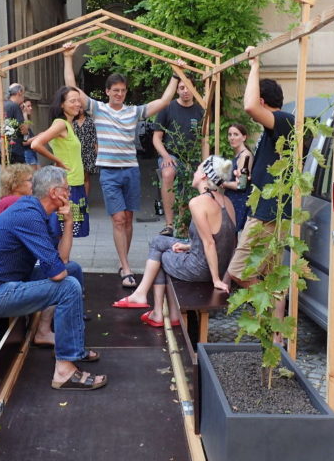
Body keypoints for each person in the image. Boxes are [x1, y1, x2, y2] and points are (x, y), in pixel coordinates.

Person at [0, 166, 106, 390]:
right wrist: (59, 269)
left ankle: (71, 348)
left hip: (9, 283)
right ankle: (63, 371)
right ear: (54, 193)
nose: (70, 193)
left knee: (74, 270)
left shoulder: (36, 210)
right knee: (68, 285)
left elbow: (63, 261)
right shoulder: (29, 216)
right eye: (67, 189)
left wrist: (69, 221)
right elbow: (58, 273)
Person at [63, 41, 178, 288]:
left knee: (127, 218)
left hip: (131, 172)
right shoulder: (98, 109)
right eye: (115, 90)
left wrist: (176, 75)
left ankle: (123, 260)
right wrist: (67, 57)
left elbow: (164, 101)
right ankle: (125, 267)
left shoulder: (133, 112)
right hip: (109, 173)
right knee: (117, 219)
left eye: (123, 90)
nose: (119, 94)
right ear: (107, 92)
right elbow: (72, 89)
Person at [111, 155, 236, 328]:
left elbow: (209, 243)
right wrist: (188, 246)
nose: (194, 172)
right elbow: (226, 241)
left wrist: (216, 279)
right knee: (159, 241)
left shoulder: (198, 203)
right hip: (216, 265)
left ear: (204, 177)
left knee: (161, 256)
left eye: (198, 169)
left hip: (201, 268)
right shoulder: (226, 202)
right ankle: (156, 306)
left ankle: (153, 308)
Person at [222, 48, 294, 341]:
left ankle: (267, 312)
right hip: (268, 210)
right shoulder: (275, 130)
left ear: (264, 102)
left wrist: (254, 64)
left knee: (239, 271)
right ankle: (276, 336)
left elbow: (250, 106)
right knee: (273, 275)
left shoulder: (285, 122)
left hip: (268, 212)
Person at [31, 87, 90, 237]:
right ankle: (57, 260)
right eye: (72, 101)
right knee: (60, 231)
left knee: (66, 231)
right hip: (66, 183)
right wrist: (58, 161)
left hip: (75, 182)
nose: (77, 104)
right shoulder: (61, 124)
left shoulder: (68, 125)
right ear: (62, 104)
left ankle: (62, 260)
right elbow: (36, 144)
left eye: (79, 100)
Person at [153, 76, 205, 237]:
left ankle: (182, 225)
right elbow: (156, 138)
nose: (185, 91)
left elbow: (204, 140)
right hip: (171, 155)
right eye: (181, 87)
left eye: (188, 87)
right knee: (168, 173)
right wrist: (166, 156)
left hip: (191, 158)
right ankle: (169, 224)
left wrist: (204, 162)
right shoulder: (168, 108)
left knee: (188, 184)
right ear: (177, 90)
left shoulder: (200, 110)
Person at [221, 123, 254, 231]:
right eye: (230, 134)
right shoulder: (238, 155)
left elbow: (241, 185)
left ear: (244, 137)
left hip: (239, 200)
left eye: (236, 134)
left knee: (232, 235)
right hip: (232, 199)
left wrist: (222, 183)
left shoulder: (245, 156)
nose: (232, 138)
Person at [0, 83, 28, 164]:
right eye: (23, 94)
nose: (24, 98)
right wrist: (24, 113)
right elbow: (24, 131)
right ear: (19, 92)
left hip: (0, 149)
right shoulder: (15, 106)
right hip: (14, 150)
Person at [72, 111, 98, 197]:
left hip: (88, 153)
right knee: (77, 176)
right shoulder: (72, 122)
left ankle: (85, 199)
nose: (80, 109)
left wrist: (97, 153)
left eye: (82, 106)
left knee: (85, 177)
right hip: (76, 153)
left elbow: (94, 138)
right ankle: (78, 197)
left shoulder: (90, 121)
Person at [21, 100, 39, 170]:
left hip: (31, 153)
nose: (31, 108)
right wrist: (38, 137)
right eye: (28, 106)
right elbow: (24, 142)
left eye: (31, 106)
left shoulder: (26, 120)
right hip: (27, 153)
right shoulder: (21, 121)